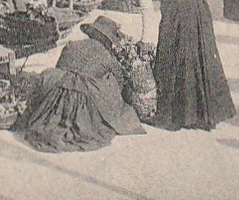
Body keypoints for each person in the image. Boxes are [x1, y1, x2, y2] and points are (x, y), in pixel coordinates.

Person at [17, 16, 144, 152]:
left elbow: (60, 67)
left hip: (57, 88)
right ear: (108, 40)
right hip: (84, 98)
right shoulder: (106, 55)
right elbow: (119, 81)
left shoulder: (72, 45)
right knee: (107, 84)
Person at [151, 0, 235, 131]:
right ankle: (199, 113)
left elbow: (146, 9)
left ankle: (183, 113)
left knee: (175, 52)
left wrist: (144, 40)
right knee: (194, 53)